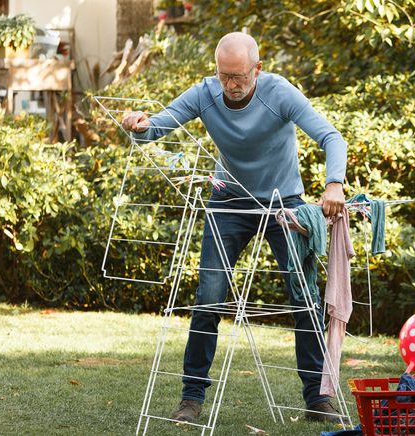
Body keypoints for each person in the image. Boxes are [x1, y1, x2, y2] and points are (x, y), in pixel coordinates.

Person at [122, 32, 347, 424]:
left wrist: (334, 183)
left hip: (283, 202)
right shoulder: (205, 93)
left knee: (304, 297)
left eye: (239, 76)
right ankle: (191, 399)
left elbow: (332, 137)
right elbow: (156, 128)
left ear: (257, 69)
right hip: (229, 201)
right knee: (208, 297)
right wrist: (137, 125)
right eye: (224, 75)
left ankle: (316, 398)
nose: (231, 84)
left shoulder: (279, 92)